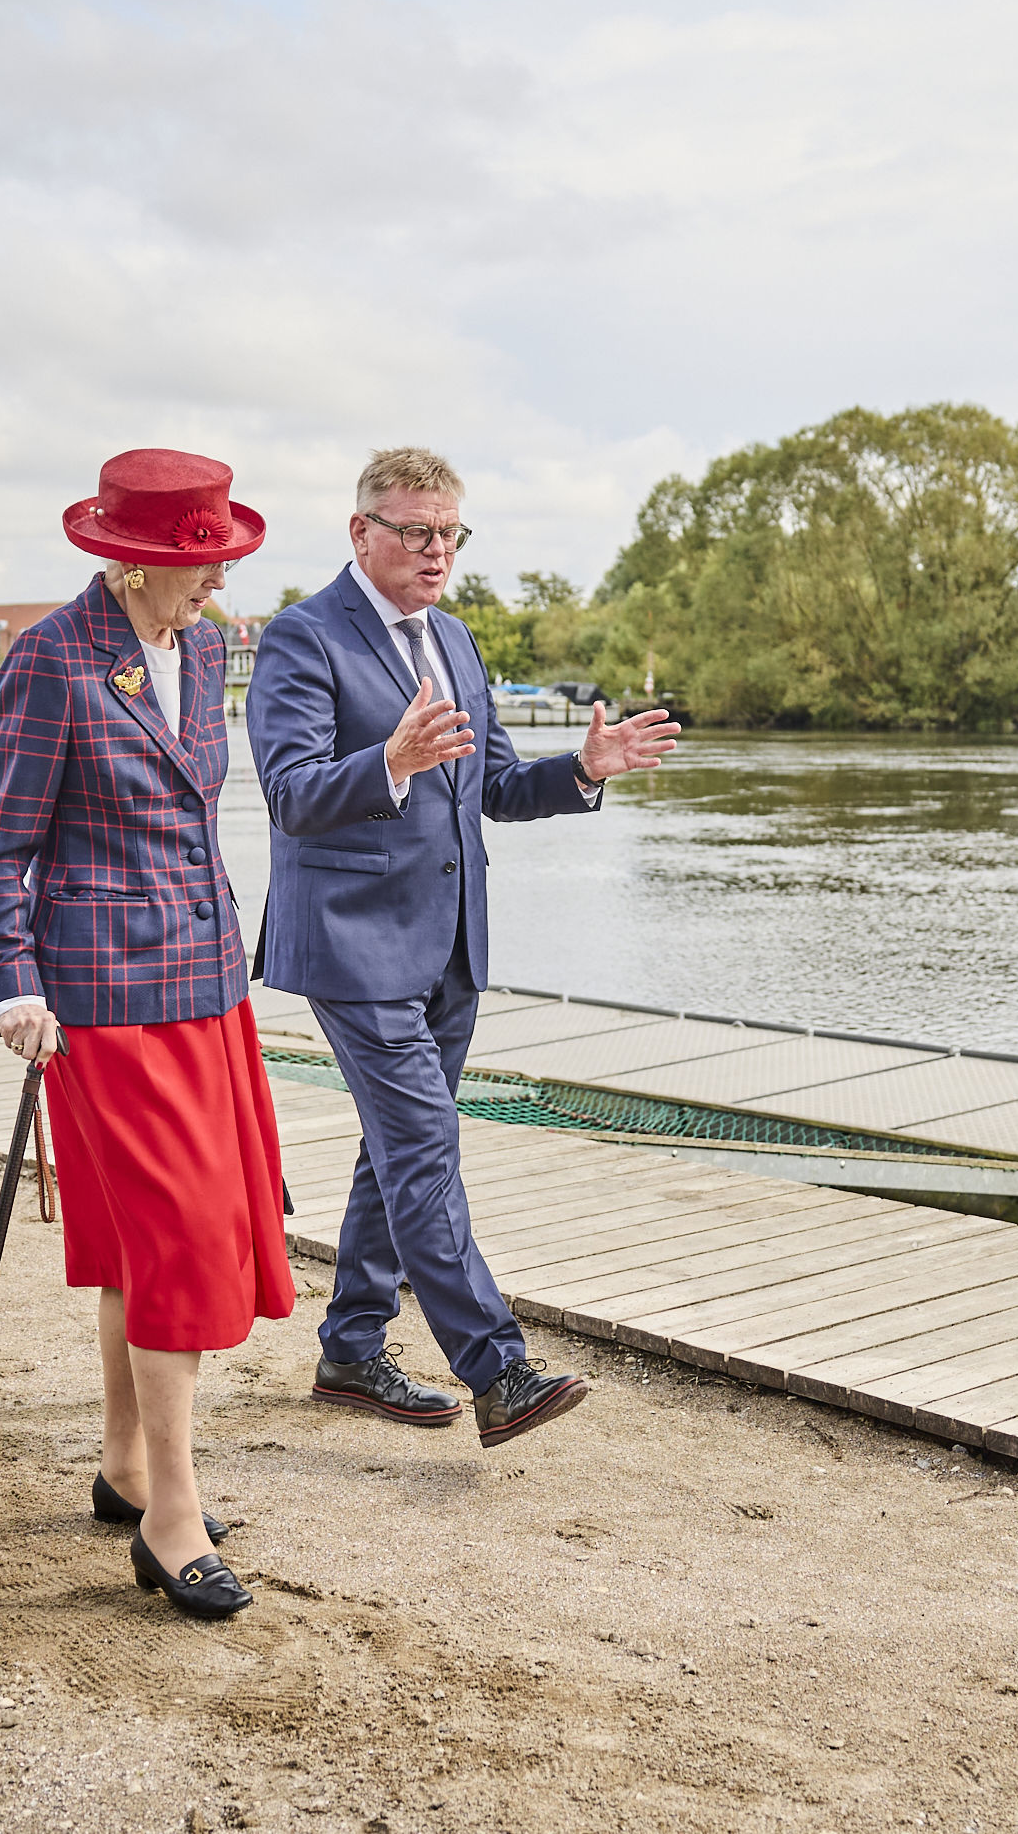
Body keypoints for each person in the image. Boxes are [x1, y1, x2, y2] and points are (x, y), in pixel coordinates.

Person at [246, 447, 677, 1449]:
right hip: (351, 942)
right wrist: (389, 760)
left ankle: (352, 1349)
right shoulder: (304, 638)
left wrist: (581, 769)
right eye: (415, 532)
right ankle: (497, 1368)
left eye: (450, 533)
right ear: (362, 532)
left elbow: (494, 790)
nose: (437, 551)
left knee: (396, 1149)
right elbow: (291, 794)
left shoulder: (454, 638)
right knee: (423, 1146)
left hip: (449, 946)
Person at [0, 448, 291, 1620]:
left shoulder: (202, 648)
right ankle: (171, 1519)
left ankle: (126, 1469)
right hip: (100, 1000)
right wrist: (11, 982)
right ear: (131, 560)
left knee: (134, 1241)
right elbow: (4, 851)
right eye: (196, 562)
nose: (216, 582)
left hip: (207, 982)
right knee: (179, 1243)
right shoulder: (51, 660)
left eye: (220, 560)